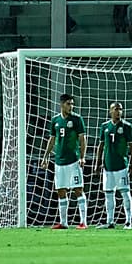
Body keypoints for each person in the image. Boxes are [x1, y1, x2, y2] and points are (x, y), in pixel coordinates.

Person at [41, 93, 88, 230]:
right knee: (61, 191)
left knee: (78, 189)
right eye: (68, 104)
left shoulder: (77, 119)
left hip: (73, 160)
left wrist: (82, 156)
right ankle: (64, 222)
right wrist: (45, 156)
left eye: (72, 104)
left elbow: (82, 139)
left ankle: (83, 222)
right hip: (59, 161)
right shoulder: (55, 120)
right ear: (61, 104)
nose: (71, 106)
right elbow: (52, 139)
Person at [92, 101, 132, 230]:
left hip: (121, 166)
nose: (119, 112)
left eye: (120, 109)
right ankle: (110, 221)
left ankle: (128, 222)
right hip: (107, 167)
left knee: (125, 193)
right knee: (109, 194)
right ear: (110, 111)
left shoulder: (127, 126)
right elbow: (100, 146)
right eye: (116, 109)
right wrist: (97, 164)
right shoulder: (104, 126)